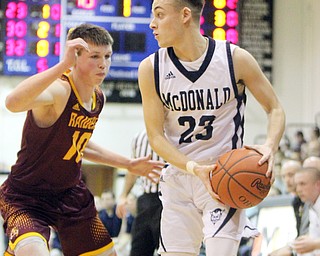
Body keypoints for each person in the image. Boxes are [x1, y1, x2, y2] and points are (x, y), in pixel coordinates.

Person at [0, 23, 163, 256]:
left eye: (107, 56)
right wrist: (62, 65)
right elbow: (12, 102)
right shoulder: (60, 90)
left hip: (70, 196)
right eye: (94, 56)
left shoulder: (97, 98)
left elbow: (80, 144)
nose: (103, 64)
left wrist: (128, 164)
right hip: (26, 196)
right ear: (74, 58)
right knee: (34, 252)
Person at [137, 1, 286, 255]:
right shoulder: (151, 68)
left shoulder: (234, 59)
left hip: (223, 177)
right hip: (180, 178)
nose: (152, 24)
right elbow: (155, 137)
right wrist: (194, 168)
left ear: (185, 15)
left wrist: (269, 146)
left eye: (160, 15)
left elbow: (275, 108)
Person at [116, 129, 164, 256]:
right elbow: (132, 170)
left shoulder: (177, 133)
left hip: (169, 199)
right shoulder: (139, 137)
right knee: (138, 250)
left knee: (167, 251)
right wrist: (123, 195)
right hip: (145, 199)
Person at [291, 166, 320, 255]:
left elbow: (313, 243)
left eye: (302, 184)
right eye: (297, 185)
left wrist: (315, 244)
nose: (298, 190)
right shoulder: (311, 206)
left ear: (318, 185)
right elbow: (313, 239)